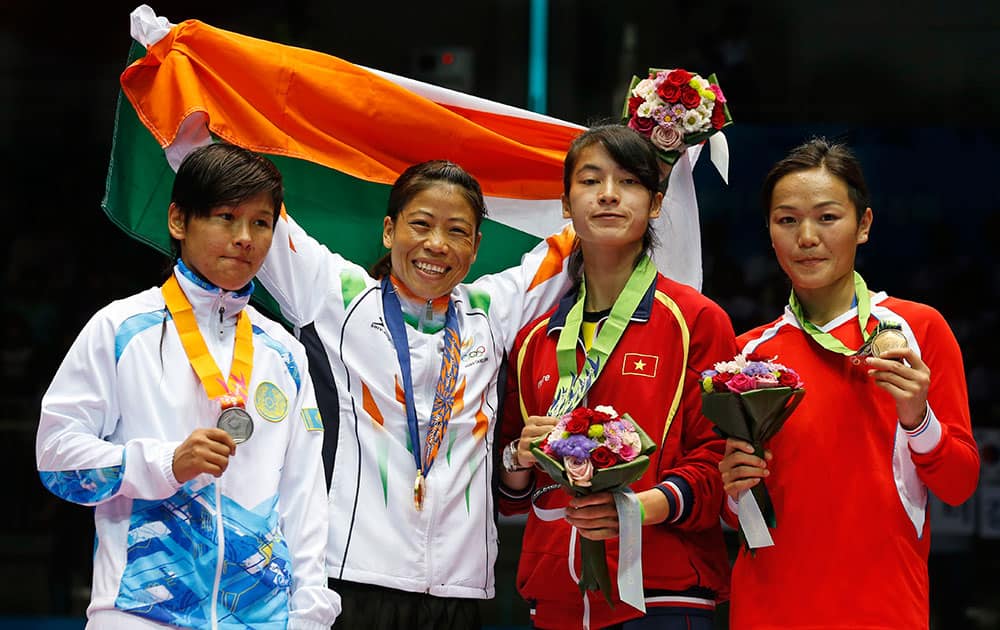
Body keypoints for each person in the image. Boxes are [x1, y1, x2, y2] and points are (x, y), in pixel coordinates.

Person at [256, 159, 576, 629]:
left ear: (476, 246)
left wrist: (661, 151)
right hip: (351, 576)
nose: (437, 245)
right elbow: (256, 210)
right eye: (421, 225)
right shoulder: (338, 296)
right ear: (389, 230)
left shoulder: (493, 310)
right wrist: (187, 137)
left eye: (457, 231)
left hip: (458, 590)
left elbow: (581, 234)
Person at [36, 143, 339, 629]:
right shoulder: (119, 329)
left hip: (262, 620)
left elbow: (305, 500)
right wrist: (163, 463)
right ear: (179, 221)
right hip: (141, 613)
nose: (245, 238)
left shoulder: (285, 351)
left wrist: (310, 618)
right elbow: (54, 458)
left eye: (261, 223)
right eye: (225, 217)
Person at [718, 138, 980, 629]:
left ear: (863, 225)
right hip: (766, 611)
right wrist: (734, 491)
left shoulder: (915, 331)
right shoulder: (746, 356)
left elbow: (960, 485)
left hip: (884, 610)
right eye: (787, 219)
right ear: (769, 231)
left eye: (827, 217)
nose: (807, 237)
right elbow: (737, 519)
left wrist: (918, 419)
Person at [497, 125, 737, 629]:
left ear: (655, 203)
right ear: (566, 204)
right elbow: (512, 493)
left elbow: (722, 463)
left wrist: (641, 507)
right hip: (557, 598)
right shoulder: (533, 341)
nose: (608, 195)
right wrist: (517, 456)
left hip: (662, 594)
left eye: (628, 181)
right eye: (590, 181)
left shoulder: (696, 321)